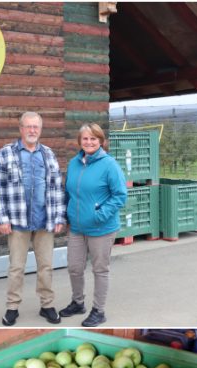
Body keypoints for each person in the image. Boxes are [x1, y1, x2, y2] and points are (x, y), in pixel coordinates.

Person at [0, 111, 66, 326]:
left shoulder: (48, 154)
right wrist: (2, 218)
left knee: (46, 266)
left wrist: (59, 216)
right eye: (28, 126)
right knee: (16, 267)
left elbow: (57, 187)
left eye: (36, 127)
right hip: (17, 220)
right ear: (21, 129)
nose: (32, 130)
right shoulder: (7, 153)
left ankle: (47, 305)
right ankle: (12, 307)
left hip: (45, 220)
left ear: (40, 130)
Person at [59, 122, 128, 327]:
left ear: (101, 141)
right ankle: (77, 302)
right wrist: (66, 213)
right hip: (77, 227)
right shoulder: (74, 163)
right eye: (85, 138)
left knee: (99, 270)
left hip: (101, 228)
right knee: (74, 267)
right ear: (80, 141)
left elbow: (120, 195)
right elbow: (68, 192)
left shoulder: (109, 165)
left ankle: (98, 310)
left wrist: (100, 215)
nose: (89, 142)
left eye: (93, 138)